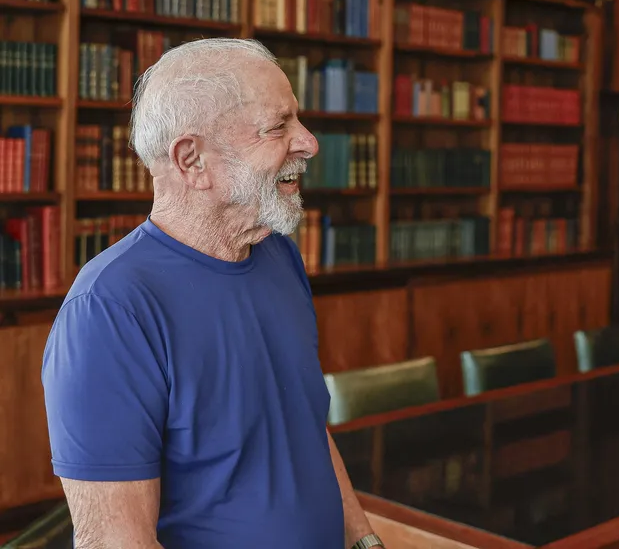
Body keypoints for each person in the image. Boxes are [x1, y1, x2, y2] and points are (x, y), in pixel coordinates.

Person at [40, 38, 386, 549]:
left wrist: (363, 541)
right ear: (191, 159)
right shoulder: (109, 310)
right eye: (278, 126)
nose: (310, 143)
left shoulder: (278, 256)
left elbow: (305, 428)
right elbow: (116, 543)